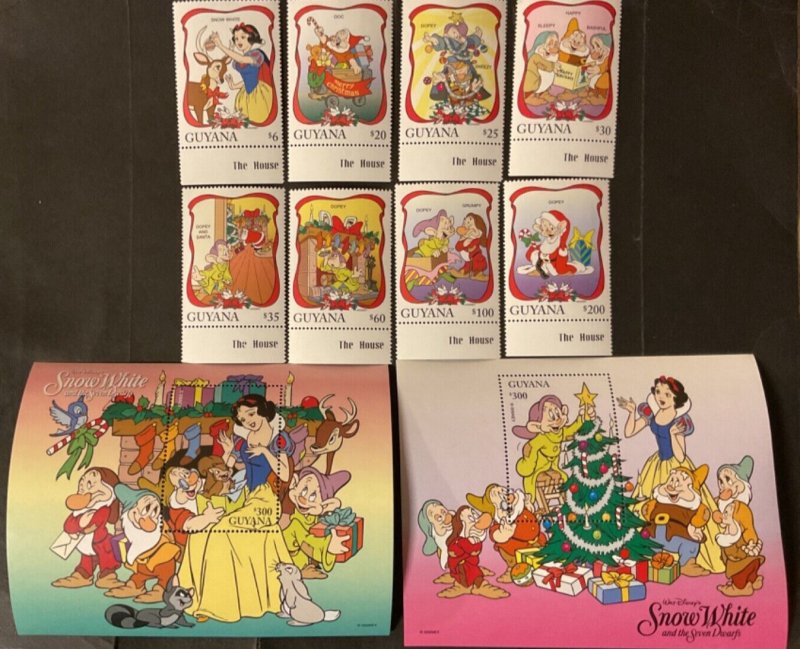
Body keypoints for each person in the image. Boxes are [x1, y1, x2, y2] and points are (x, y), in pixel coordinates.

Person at [618, 376, 724, 573]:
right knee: (651, 509)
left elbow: (681, 456)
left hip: (677, 469)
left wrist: (674, 434)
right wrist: (632, 412)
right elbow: (629, 432)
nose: (661, 397)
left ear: (676, 398)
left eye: (667, 394)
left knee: (681, 510)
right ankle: (646, 550)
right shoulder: (652, 413)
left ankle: (687, 557)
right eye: (658, 392)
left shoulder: (679, 420)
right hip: (656, 466)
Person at [218, 394, 291, 493]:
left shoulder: (277, 439)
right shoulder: (242, 439)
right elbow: (227, 469)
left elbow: (285, 475)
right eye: (243, 420)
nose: (247, 421)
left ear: (262, 410)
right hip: (246, 490)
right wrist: (228, 451)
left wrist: (264, 451)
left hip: (267, 492)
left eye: (251, 414)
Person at [211, 23, 275, 124]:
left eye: (242, 37)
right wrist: (234, 86)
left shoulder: (257, 54)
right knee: (245, 121)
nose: (238, 41)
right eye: (236, 39)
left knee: (256, 119)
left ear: (251, 38)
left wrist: (220, 45)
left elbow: (241, 59)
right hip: (246, 94)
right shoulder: (241, 59)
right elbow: (247, 78)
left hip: (260, 94)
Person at [228, 208, 277, 306]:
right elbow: (241, 236)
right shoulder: (244, 226)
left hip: (255, 245)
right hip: (248, 247)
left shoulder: (259, 227)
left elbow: (264, 235)